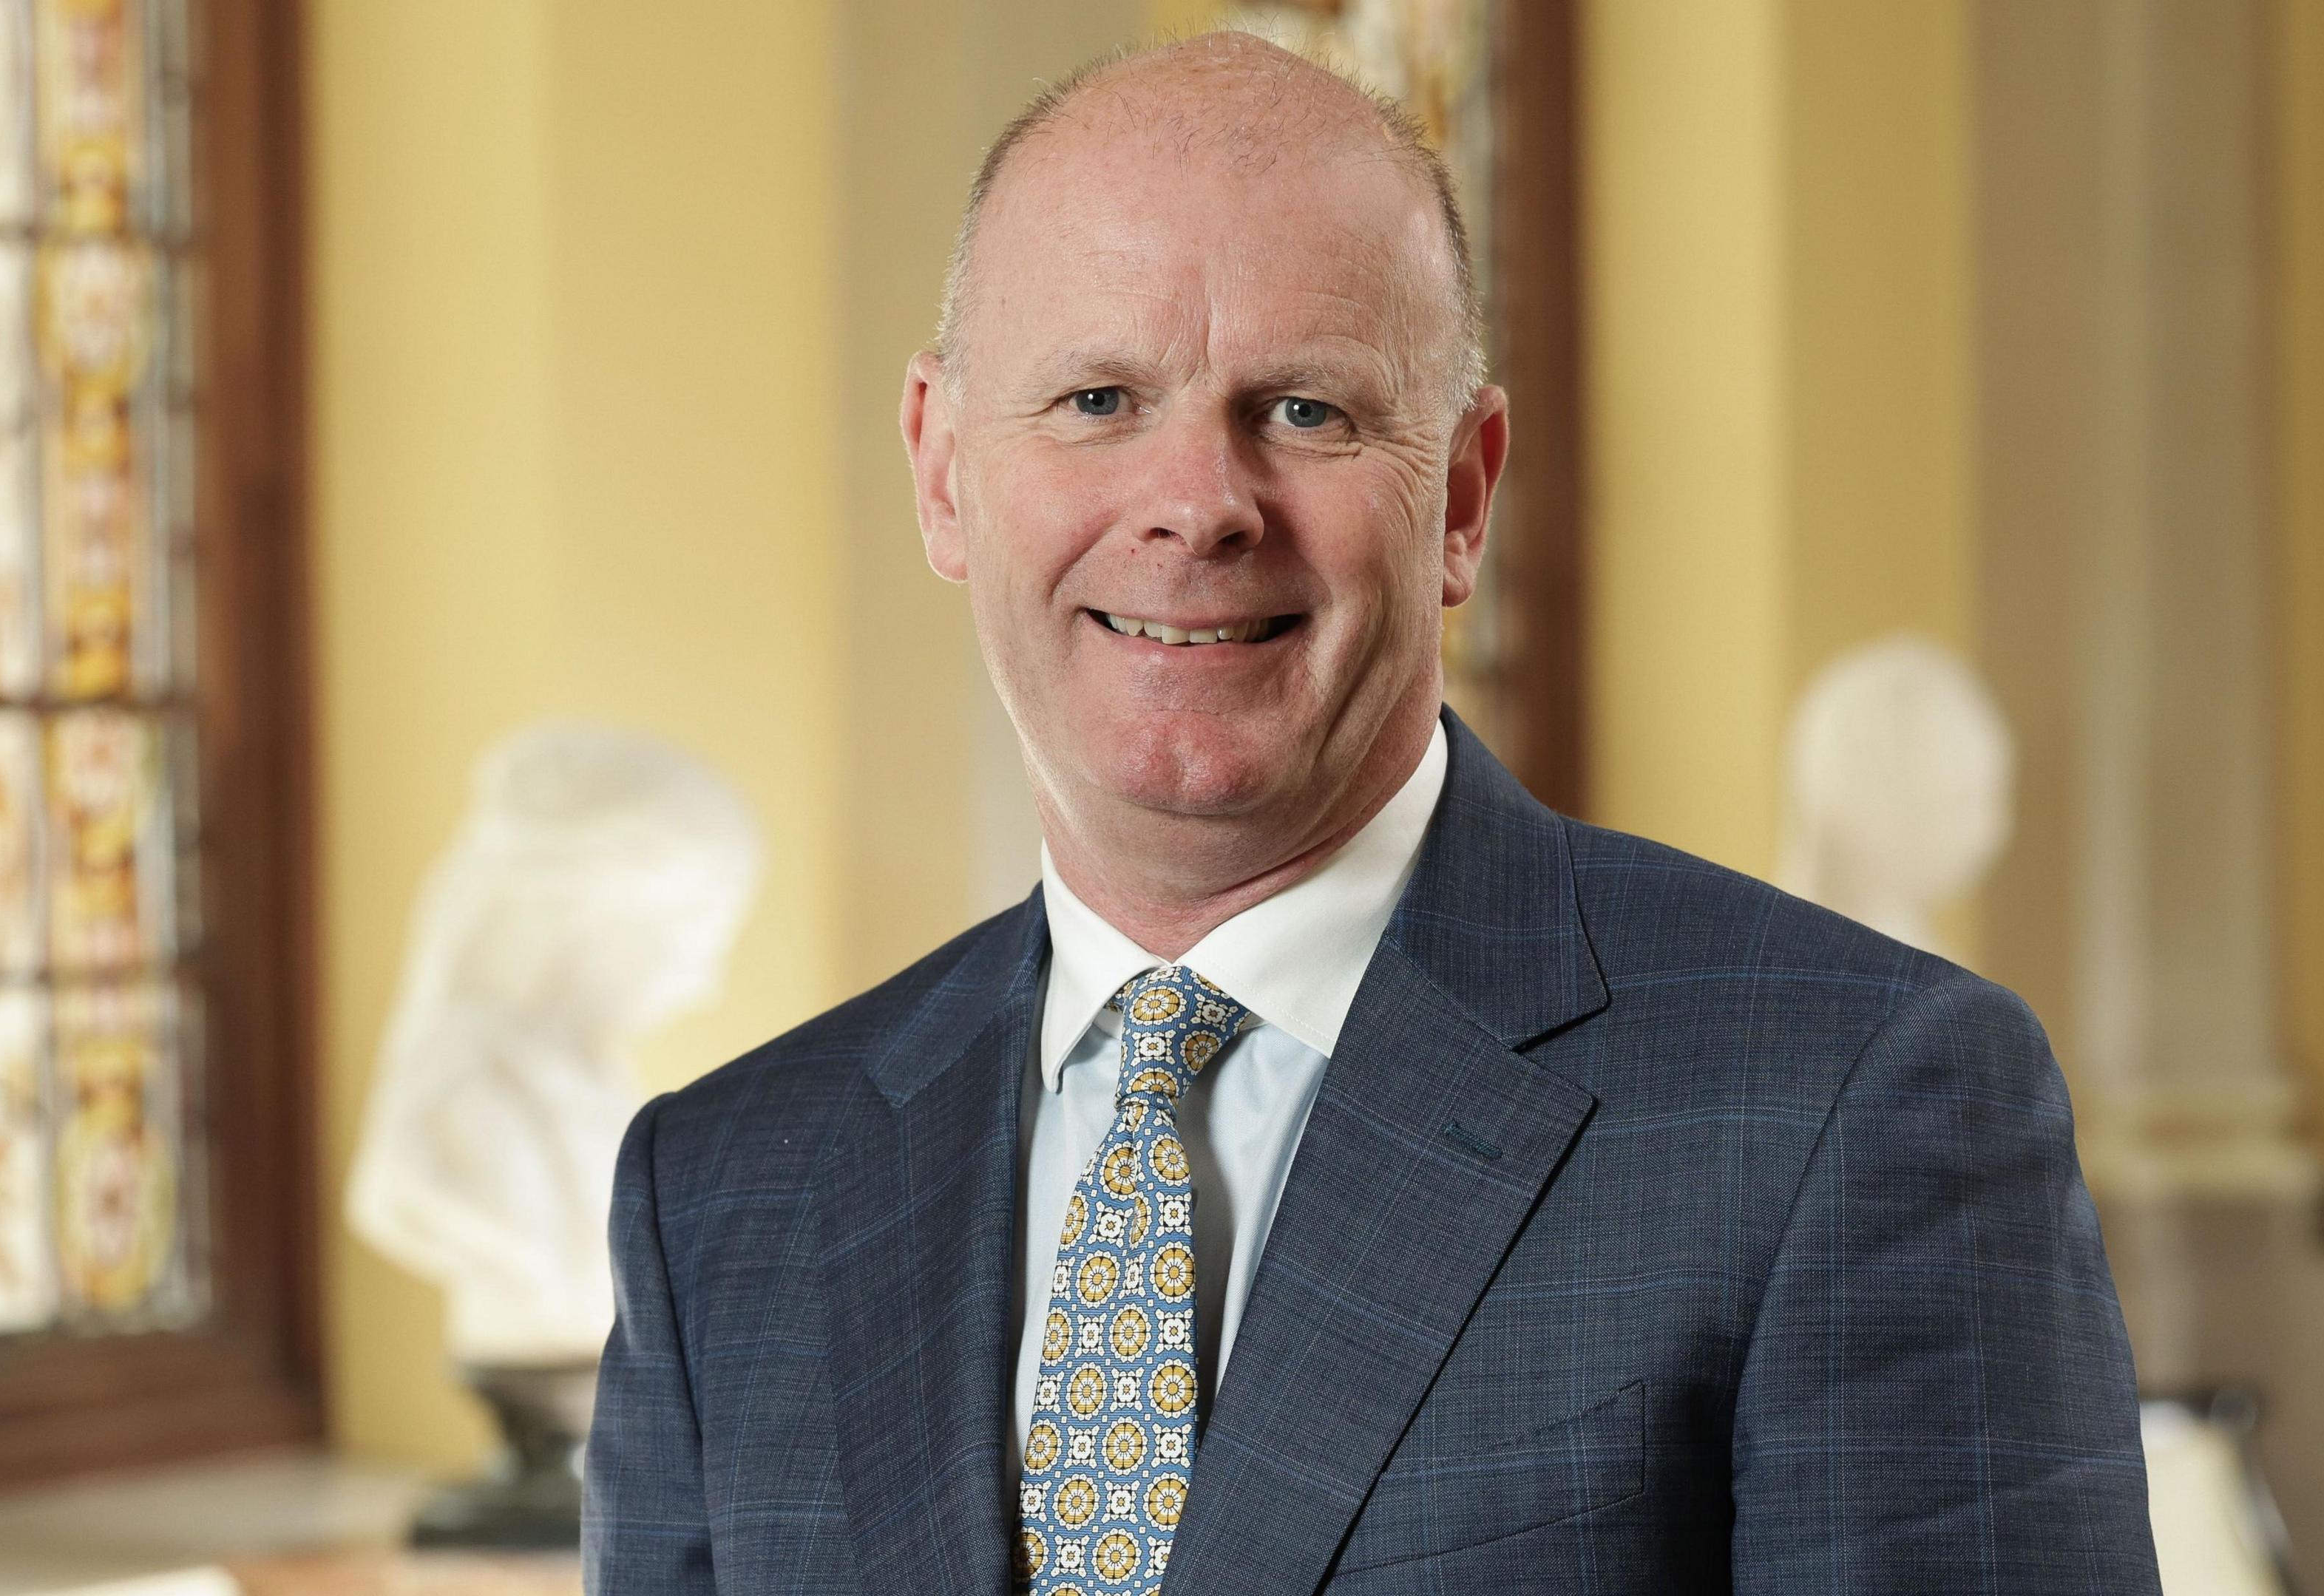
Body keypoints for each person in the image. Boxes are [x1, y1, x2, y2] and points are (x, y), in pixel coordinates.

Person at [583, 32, 2161, 1595]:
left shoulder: (1851, 1102)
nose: (1197, 505)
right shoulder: (722, 1195)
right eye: (1097, 397)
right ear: (942, 470)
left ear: (1463, 496)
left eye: (1306, 412)